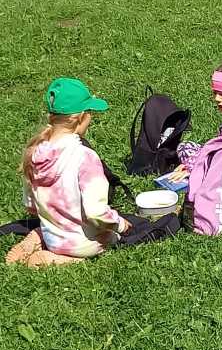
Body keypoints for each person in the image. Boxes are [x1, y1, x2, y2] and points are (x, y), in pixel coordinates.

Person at [6, 77, 132, 268]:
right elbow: (96, 213)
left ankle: (39, 238)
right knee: (113, 237)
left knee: (49, 228)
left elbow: (30, 205)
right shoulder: (84, 157)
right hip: (82, 244)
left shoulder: (35, 153)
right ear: (81, 117)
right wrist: (121, 224)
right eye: (90, 113)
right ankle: (63, 260)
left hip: (53, 236)